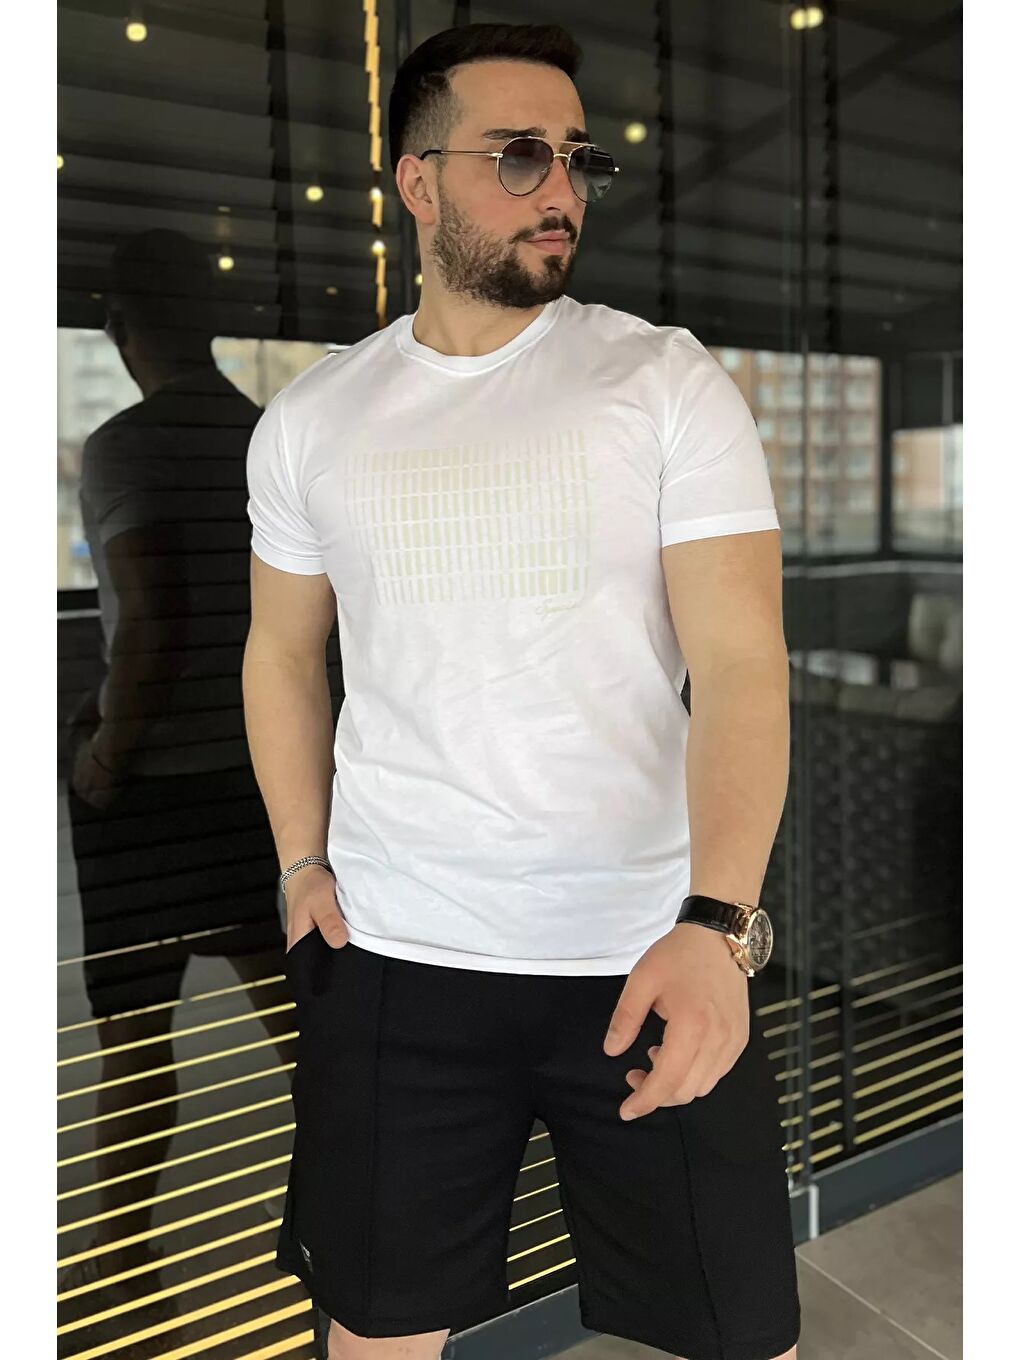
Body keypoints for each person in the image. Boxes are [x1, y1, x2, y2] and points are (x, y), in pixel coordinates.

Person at [244, 22, 800, 1360]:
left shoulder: (662, 382)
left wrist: (719, 922)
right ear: (416, 180)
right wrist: (301, 859)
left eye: (576, 159)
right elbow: (282, 652)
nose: (562, 189)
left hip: (644, 948)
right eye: (519, 156)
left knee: (741, 1336)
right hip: (397, 957)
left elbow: (740, 664)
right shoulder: (313, 421)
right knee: (375, 1335)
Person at [59, 230, 296, 1346]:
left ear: (121, 326)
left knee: (135, 1043)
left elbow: (150, 620)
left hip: (158, 788)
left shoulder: (124, 447)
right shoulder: (266, 438)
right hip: (257, 775)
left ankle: (121, 1270)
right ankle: (345, 1214)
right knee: (301, 1025)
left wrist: (105, 759)